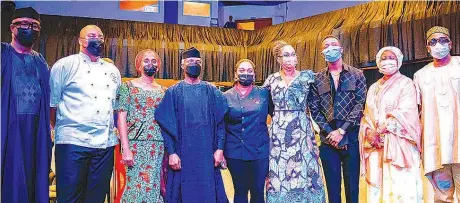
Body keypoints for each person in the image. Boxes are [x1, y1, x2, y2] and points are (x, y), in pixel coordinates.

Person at [50, 25, 122, 202]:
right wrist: (60, 128)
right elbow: (52, 105)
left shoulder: (113, 71)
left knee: (96, 198)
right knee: (70, 197)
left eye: (100, 36)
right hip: (72, 141)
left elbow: (116, 107)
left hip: (104, 144)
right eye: (91, 36)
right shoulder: (65, 65)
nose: (97, 39)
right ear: (80, 40)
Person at [155, 47, 229, 203]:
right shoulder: (173, 92)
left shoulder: (212, 91)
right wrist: (172, 153)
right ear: (182, 65)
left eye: (198, 62)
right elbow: (166, 127)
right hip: (182, 157)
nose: (194, 64)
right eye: (190, 61)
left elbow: (221, 123)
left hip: (207, 156)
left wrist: (220, 149)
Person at [263, 40, 326, 203]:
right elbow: (264, 105)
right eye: (286, 55)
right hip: (278, 132)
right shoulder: (271, 80)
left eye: (293, 54)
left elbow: (319, 102)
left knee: (303, 168)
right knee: (280, 169)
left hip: (301, 129)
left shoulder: (308, 77)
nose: (290, 58)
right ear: (279, 59)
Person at [1, 7, 52, 203]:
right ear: (12, 28)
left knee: (34, 181)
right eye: (23, 24)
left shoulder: (40, 61)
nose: (29, 28)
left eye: (34, 25)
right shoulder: (3, 53)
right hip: (7, 129)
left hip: (36, 132)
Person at [359, 46, 423, 202]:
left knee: (400, 187)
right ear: (378, 62)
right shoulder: (373, 87)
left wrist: (381, 131)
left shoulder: (406, 84)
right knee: (377, 190)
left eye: (391, 58)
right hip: (375, 146)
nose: (387, 62)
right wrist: (369, 133)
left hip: (399, 144)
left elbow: (406, 112)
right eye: (383, 58)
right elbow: (367, 115)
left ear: (399, 61)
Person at [309, 35, 366, 203]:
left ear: (341, 49)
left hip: (351, 137)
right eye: (326, 46)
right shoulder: (316, 78)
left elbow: (360, 104)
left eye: (334, 44)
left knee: (352, 187)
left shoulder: (357, 74)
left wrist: (342, 131)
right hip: (328, 141)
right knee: (332, 188)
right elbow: (314, 109)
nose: (330, 48)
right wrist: (330, 132)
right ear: (322, 53)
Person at [413, 26, 460, 203]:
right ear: (427, 47)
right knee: (442, 197)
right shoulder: (420, 75)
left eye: (442, 40)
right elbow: (415, 112)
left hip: (459, 144)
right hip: (435, 147)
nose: (438, 45)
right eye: (433, 42)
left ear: (450, 43)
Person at [117, 49, 166, 202]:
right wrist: (125, 149)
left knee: (153, 185)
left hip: (157, 145)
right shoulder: (127, 87)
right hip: (135, 145)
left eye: (154, 61)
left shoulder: (164, 91)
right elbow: (121, 118)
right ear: (138, 65)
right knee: (135, 186)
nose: (150, 64)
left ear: (158, 66)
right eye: (146, 60)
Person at [224, 59, 271, 203]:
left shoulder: (264, 94)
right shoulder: (225, 96)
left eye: (249, 71)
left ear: (254, 74)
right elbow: (221, 127)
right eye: (242, 71)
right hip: (235, 152)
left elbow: (277, 116)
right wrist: (220, 151)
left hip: (260, 151)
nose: (246, 74)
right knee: (240, 192)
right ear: (235, 74)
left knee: (258, 192)